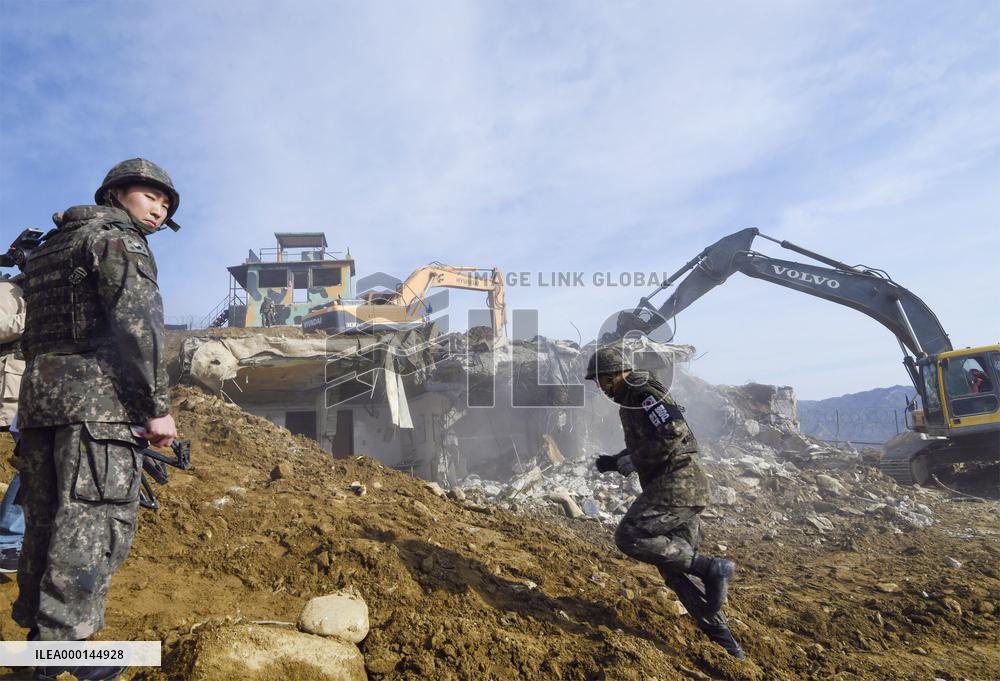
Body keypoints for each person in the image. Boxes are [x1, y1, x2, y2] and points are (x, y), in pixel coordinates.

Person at [15, 159, 181, 681]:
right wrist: (157, 408)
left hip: (42, 405)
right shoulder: (117, 240)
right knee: (90, 525)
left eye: (167, 205)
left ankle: (39, 648)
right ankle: (66, 656)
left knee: (44, 524)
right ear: (117, 193)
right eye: (151, 196)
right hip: (97, 411)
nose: (159, 209)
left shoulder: (51, 246)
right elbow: (139, 328)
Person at [586, 346, 745, 659]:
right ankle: (725, 642)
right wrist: (613, 461)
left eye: (602, 381)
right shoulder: (630, 401)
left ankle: (713, 568)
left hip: (678, 485)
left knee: (630, 536)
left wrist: (636, 458)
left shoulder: (645, 393)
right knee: (673, 564)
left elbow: (673, 431)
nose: (601, 388)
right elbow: (648, 441)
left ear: (617, 374)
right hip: (679, 486)